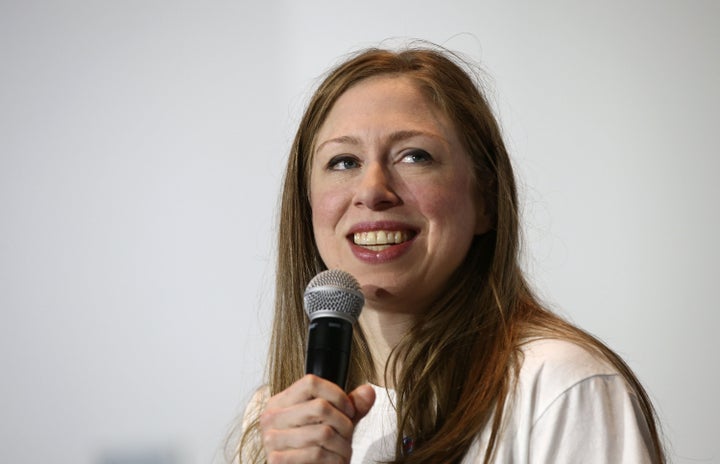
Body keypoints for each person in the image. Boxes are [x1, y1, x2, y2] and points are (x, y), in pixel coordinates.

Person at [235, 43, 666, 463]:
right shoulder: (279, 420)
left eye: (414, 156)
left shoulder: (560, 386)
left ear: (486, 201)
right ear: (306, 203)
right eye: (344, 162)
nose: (372, 191)